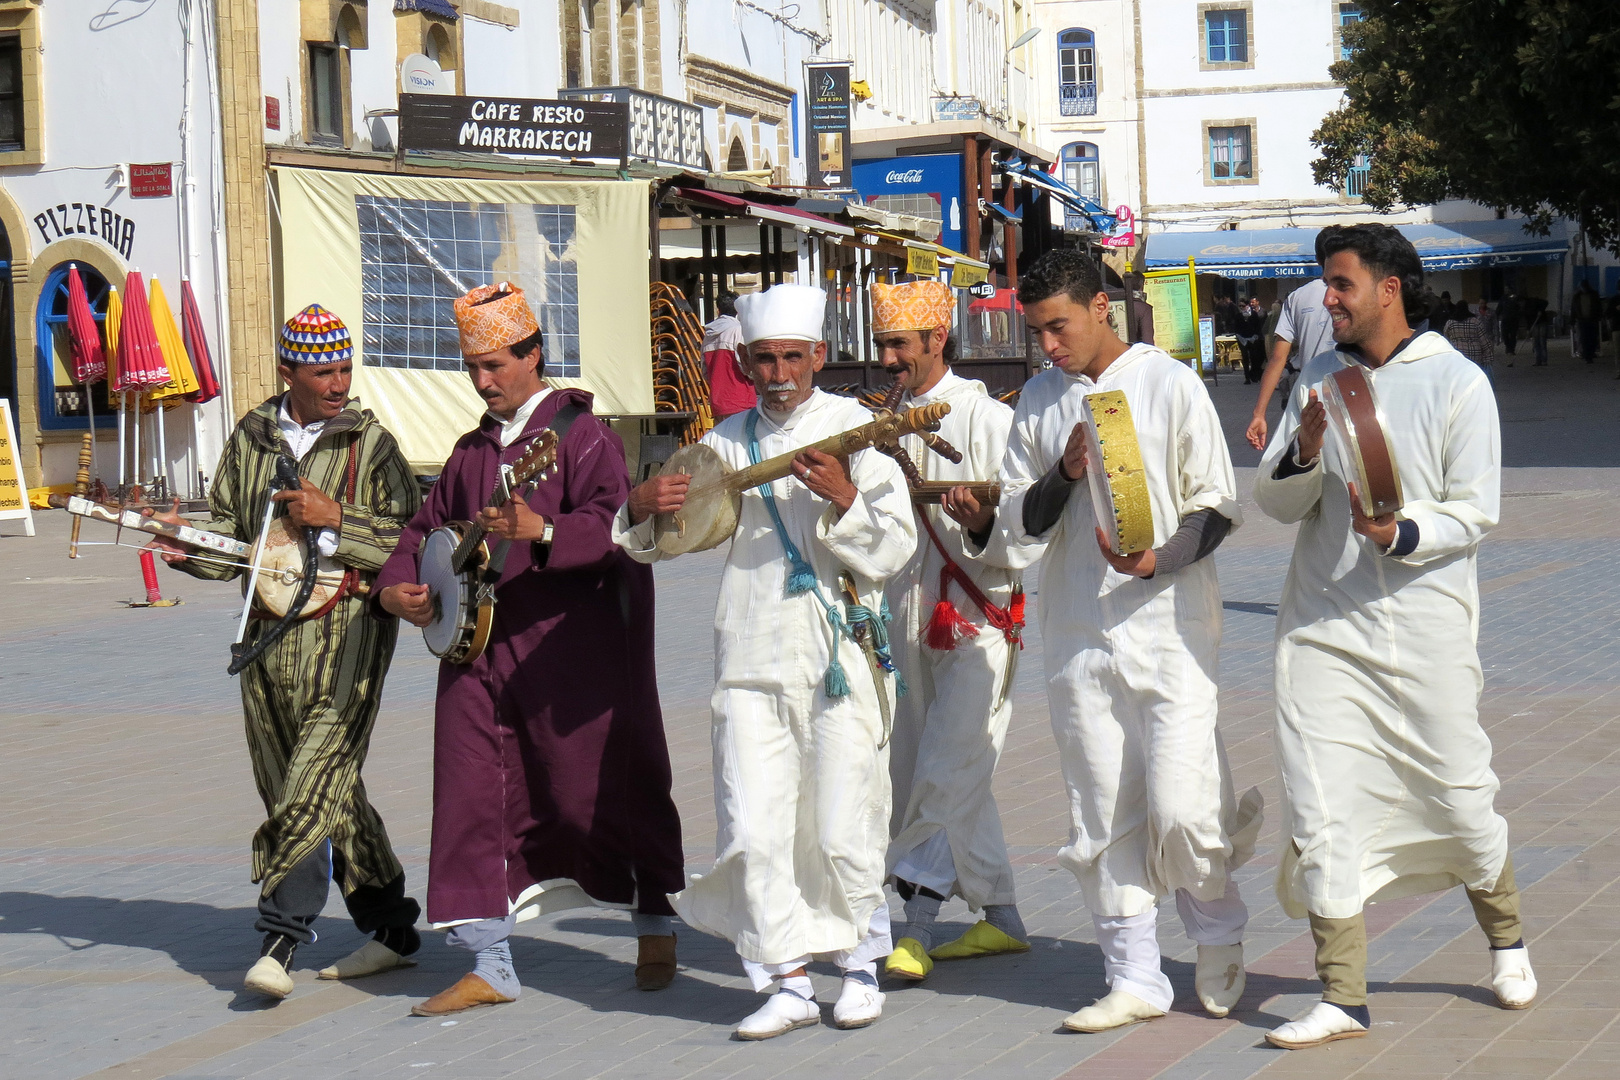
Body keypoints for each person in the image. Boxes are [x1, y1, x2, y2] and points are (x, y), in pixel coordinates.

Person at [1254, 224, 1534, 1050]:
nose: (1325, 300)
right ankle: (1343, 994)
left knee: (1457, 789)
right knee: (1321, 799)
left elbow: (1477, 507)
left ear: (1389, 289)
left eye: (1340, 284)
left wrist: (1401, 532)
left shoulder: (1457, 382)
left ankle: (1508, 939)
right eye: (1323, 285)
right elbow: (1276, 505)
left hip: (1423, 631)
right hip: (1320, 630)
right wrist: (1302, 450)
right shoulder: (1319, 374)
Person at [968, 250, 1262, 1033]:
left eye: (1058, 328)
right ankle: (1132, 976)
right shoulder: (1035, 400)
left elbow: (1215, 506)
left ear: (1102, 306)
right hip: (1075, 635)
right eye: (1037, 334)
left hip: (1169, 630)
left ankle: (1218, 928)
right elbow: (1013, 525)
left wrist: (1154, 561)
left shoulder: (1170, 383)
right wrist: (1062, 474)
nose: (1049, 347)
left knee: (1183, 804)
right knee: (1100, 807)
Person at [374, 283, 685, 1016]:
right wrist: (397, 591)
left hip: (571, 656)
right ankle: (488, 959)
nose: (484, 382)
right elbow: (423, 534)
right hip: (478, 656)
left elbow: (617, 527)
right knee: (468, 795)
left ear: (533, 354)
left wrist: (542, 532)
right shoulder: (469, 450)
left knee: (603, 789)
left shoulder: (581, 436)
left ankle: (655, 920)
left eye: (495, 365)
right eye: (472, 368)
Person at [615, 283, 916, 1039]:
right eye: (764, 359)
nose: (780, 371)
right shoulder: (724, 443)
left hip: (838, 654)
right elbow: (671, 536)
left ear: (818, 356)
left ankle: (854, 968)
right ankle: (782, 977)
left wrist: (845, 496)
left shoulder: (860, 431)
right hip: (749, 653)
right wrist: (643, 506)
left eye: (792, 356)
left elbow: (895, 546)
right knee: (753, 823)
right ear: (745, 364)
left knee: (844, 820)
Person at [149, 305, 424, 1001]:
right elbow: (233, 541)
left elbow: (412, 541)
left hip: (350, 641)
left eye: (343, 368)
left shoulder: (373, 446)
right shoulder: (251, 438)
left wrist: (338, 518)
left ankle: (279, 938)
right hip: (266, 642)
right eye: (322, 370)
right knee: (309, 785)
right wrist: (185, 545)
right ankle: (391, 928)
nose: (338, 383)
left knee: (310, 784)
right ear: (287, 371)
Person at [862, 280, 1027, 984]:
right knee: (932, 771)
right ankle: (1003, 919)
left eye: (900, 345)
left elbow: (1025, 531)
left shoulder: (987, 419)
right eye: (882, 347)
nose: (890, 359)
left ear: (938, 341)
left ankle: (917, 928)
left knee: (944, 769)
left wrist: (981, 525)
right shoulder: (884, 420)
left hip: (978, 619)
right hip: (906, 615)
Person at [1248, 236, 1340, 449]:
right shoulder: (1359, 294)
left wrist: (1259, 413)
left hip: (1309, 395)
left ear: (1317, 258)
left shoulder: (1298, 297)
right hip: (1351, 392)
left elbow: (1278, 358)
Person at [702, 291, 755, 420]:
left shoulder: (707, 336)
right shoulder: (738, 331)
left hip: (718, 402)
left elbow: (705, 372)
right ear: (737, 310)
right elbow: (747, 367)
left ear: (718, 310)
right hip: (742, 401)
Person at [1446, 299, 1496, 388]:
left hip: (1457, 355)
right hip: (1475, 355)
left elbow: (1446, 339)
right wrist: (1488, 356)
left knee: (1460, 376)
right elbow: (1484, 340)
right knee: (1473, 377)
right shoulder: (1475, 322)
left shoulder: (1450, 323)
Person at [1235, 297, 1266, 384]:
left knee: (1254, 357)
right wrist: (1239, 336)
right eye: (1240, 306)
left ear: (1247, 305)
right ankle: (1247, 377)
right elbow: (1236, 327)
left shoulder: (1254, 314)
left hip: (1252, 339)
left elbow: (1257, 326)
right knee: (1245, 357)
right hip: (1242, 339)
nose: (1241, 307)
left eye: (1243, 306)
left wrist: (1255, 336)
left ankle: (1254, 375)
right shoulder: (1238, 315)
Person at [1572, 280, 1601, 362]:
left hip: (1592, 319)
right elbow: (1573, 308)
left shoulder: (1593, 295)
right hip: (1582, 320)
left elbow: (1598, 306)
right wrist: (1572, 320)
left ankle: (1590, 354)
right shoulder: (1577, 297)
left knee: (1592, 338)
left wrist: (1599, 316)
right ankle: (1587, 355)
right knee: (1584, 338)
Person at [1523, 294, 1550, 366]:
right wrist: (1528, 329)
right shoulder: (1524, 308)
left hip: (1542, 322)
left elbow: (1545, 302)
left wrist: (1540, 310)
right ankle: (1537, 360)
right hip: (1534, 325)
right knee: (1535, 343)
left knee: (1542, 342)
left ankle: (1544, 361)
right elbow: (1527, 319)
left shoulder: (1533, 301)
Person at [1497, 289, 1521, 361]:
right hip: (1505, 319)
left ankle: (1511, 349)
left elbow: (1519, 308)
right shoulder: (1503, 299)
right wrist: (1497, 315)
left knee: (1513, 335)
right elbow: (1499, 308)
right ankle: (1508, 347)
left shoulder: (1516, 299)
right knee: (1505, 335)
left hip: (1514, 320)